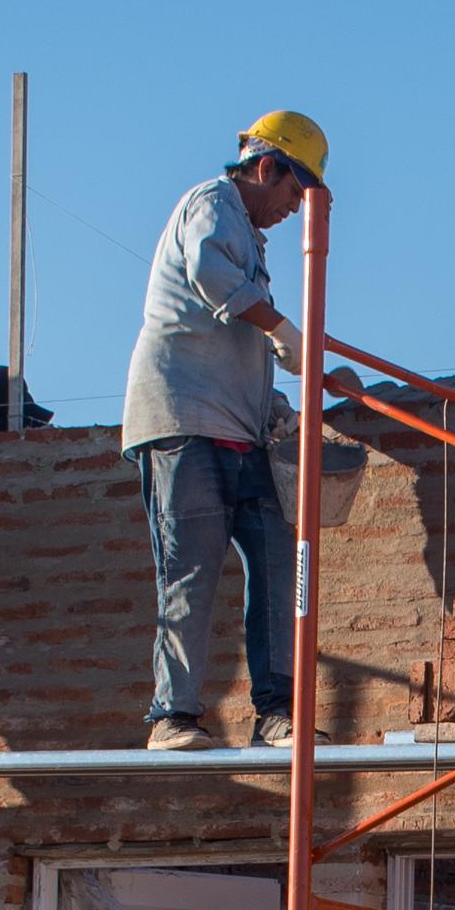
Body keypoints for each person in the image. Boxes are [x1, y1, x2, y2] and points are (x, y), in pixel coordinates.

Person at [120, 111, 327, 750]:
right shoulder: (209, 204)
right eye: (295, 192)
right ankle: (171, 717)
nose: (295, 208)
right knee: (190, 571)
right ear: (267, 168)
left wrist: (274, 409)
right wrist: (283, 328)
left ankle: (277, 713)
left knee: (276, 566)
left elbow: (235, 337)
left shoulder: (252, 240)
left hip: (241, 432)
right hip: (182, 426)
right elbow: (213, 282)